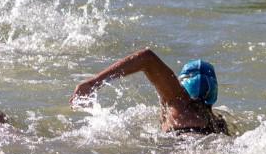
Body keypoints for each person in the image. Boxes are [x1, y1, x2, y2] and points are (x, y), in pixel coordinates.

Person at [71, 48, 228, 135]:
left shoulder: (178, 99)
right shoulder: (217, 122)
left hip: (177, 150)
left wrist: (93, 83)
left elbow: (147, 58)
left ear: (183, 84)